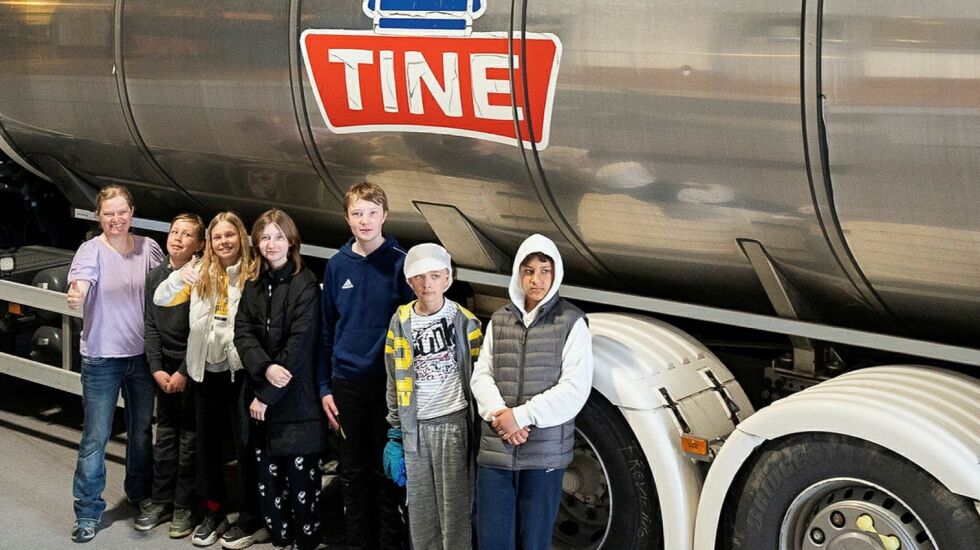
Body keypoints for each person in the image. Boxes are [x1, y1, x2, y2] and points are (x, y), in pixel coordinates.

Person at [470, 234, 594, 550]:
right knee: (493, 541)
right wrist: (500, 415)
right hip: (497, 449)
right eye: (528, 270)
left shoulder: (571, 321)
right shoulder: (500, 320)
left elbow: (574, 389)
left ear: (556, 274)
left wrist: (522, 416)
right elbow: (481, 374)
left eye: (544, 271)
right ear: (517, 273)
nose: (535, 279)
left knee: (534, 542)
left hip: (544, 454)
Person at [153, 212, 267, 549]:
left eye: (230, 235)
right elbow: (161, 298)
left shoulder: (251, 273)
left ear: (241, 237)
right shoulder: (199, 272)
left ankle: (251, 520)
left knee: (246, 449)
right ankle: (213, 513)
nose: (224, 242)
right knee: (207, 450)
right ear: (210, 243)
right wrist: (179, 276)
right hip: (205, 373)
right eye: (218, 237)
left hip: (239, 374)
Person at [317, 181, 413, 550]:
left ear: (385, 216)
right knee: (353, 474)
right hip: (347, 385)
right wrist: (325, 388)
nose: (365, 220)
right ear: (347, 218)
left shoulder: (400, 265)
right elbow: (326, 331)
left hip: (387, 387)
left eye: (372, 213)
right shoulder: (338, 266)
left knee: (387, 473)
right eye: (357, 213)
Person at [67, 184, 164, 543]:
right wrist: (76, 293)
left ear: (132, 213)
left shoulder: (147, 248)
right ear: (99, 217)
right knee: (95, 437)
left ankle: (140, 494)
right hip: (102, 358)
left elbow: (166, 283)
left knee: (141, 432)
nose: (116, 219)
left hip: (141, 357)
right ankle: (88, 511)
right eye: (109, 213)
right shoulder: (90, 250)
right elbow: (80, 283)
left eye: (122, 212)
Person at [235, 209, 327, 550]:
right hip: (262, 398)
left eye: (277, 236)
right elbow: (242, 333)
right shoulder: (253, 285)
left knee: (303, 490)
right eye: (264, 237)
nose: (270, 244)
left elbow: (299, 346)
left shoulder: (306, 284)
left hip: (295, 403)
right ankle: (279, 539)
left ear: (291, 241)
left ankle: (306, 542)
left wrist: (267, 394)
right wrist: (263, 368)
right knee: (269, 489)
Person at [383, 243, 483, 550]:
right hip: (415, 430)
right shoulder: (400, 322)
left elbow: (478, 381)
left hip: (453, 426)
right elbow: (392, 378)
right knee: (422, 512)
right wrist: (396, 431)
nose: (427, 284)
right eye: (420, 277)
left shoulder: (466, 322)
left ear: (447, 279)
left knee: (455, 512)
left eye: (435, 276)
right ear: (409, 281)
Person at [135, 213, 206, 537]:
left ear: (199, 244)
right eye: (174, 231)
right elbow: (150, 324)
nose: (177, 238)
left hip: (191, 370)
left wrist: (182, 373)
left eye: (187, 234)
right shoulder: (156, 276)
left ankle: (184, 507)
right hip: (164, 370)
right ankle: (161, 500)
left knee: (189, 441)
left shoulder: (201, 278)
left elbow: (199, 331)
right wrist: (156, 368)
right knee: (164, 438)